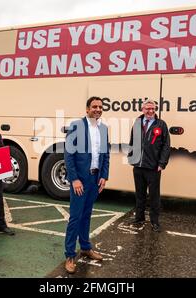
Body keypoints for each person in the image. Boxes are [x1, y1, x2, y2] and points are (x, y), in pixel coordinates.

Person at [63, 96, 110, 274]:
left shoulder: (103, 129)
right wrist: (74, 179)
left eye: (100, 106)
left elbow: (105, 155)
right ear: (87, 109)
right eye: (94, 106)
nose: (97, 109)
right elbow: (69, 155)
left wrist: (104, 176)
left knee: (87, 215)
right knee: (75, 217)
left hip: (94, 179)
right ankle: (69, 255)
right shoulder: (77, 126)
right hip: (80, 180)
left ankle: (85, 247)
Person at [128, 99, 170, 233]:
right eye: (148, 109)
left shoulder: (161, 124)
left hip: (153, 167)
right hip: (138, 166)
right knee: (139, 195)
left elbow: (166, 146)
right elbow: (132, 141)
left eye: (153, 109)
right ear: (142, 109)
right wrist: (131, 157)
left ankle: (155, 221)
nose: (151, 111)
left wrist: (162, 163)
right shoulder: (137, 123)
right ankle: (139, 218)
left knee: (154, 196)